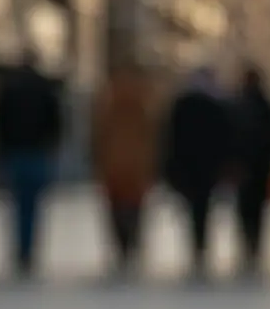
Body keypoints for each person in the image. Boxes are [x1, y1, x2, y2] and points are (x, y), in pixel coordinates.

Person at [0, 51, 63, 278]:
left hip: (16, 154)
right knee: (32, 205)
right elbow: (56, 123)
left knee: (18, 204)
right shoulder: (45, 89)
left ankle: (22, 249)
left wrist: (2, 151)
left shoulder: (9, 90)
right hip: (37, 154)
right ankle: (28, 249)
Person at [162, 66, 235, 278]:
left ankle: (196, 246)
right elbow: (225, 138)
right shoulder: (217, 105)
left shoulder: (182, 105)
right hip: (208, 167)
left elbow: (172, 138)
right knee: (202, 208)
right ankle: (200, 246)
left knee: (193, 207)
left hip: (189, 166)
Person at [92, 61, 157, 276]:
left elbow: (98, 137)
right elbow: (152, 137)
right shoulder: (144, 104)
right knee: (135, 211)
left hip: (113, 166)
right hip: (137, 167)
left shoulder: (107, 104)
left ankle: (121, 246)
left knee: (115, 211)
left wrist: (98, 161)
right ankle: (132, 244)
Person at [233, 66, 270, 274]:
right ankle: (254, 244)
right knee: (257, 208)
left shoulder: (238, 105)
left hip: (244, 165)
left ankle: (249, 243)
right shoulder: (265, 105)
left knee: (245, 207)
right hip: (260, 165)